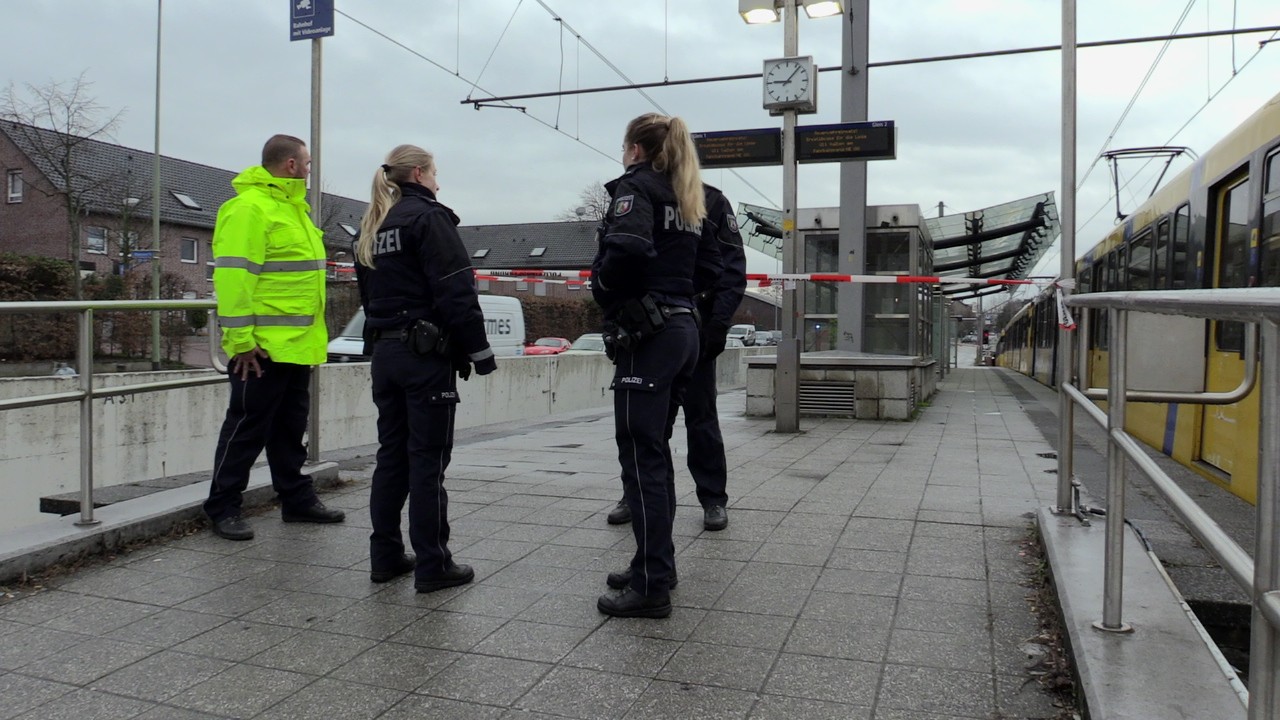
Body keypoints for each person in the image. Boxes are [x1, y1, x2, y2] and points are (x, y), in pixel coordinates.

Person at [592, 113, 722, 618]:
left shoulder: (637, 187)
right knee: (657, 455)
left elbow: (625, 247)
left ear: (636, 148)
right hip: (683, 328)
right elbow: (711, 265)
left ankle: (651, 587)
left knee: (642, 458)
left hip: (648, 334)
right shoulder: (691, 195)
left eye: (624, 145)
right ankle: (655, 564)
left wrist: (602, 289)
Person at [354, 144, 496, 593]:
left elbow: (369, 298)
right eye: (436, 174)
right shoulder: (429, 218)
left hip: (386, 356)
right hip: (424, 358)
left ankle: (386, 556)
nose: (439, 182)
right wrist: (479, 352)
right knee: (427, 462)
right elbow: (456, 291)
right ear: (419, 173)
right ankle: (434, 565)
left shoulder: (372, 226)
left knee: (390, 458)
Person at [204, 134, 345, 541]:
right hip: (260, 348)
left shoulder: (293, 209)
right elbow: (233, 278)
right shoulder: (249, 209)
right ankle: (222, 507)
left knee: (289, 430)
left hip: (296, 346)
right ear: (290, 165)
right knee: (245, 430)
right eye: (307, 162)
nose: (309, 168)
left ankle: (296, 500)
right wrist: (241, 341)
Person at [604, 183, 747, 532]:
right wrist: (614, 322)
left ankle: (713, 498)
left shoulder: (710, 200)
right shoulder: (633, 192)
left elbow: (730, 268)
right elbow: (618, 265)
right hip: (643, 329)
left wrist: (718, 323)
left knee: (701, 417)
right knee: (643, 424)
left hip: (692, 325)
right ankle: (635, 492)